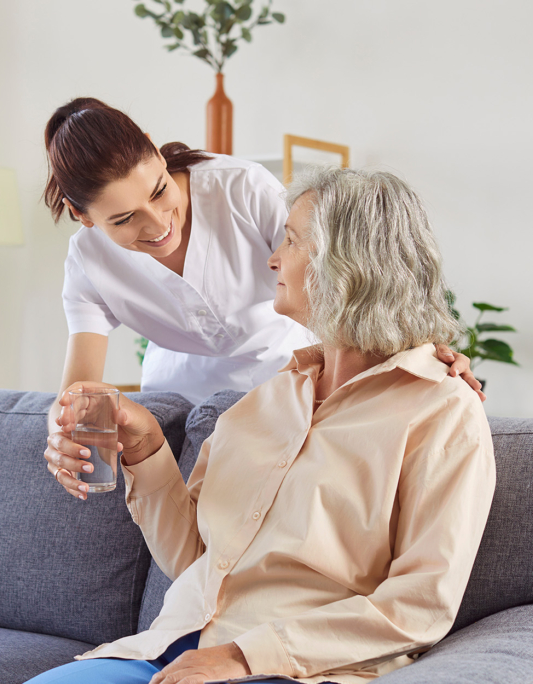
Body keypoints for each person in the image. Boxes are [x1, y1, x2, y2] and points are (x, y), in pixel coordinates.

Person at [34, 166, 496, 684]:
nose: (272, 258)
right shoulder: (265, 400)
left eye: (292, 241)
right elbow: (196, 559)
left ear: (347, 266)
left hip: (288, 669)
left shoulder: (441, 411)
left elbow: (419, 606)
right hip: (165, 649)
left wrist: (241, 657)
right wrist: (144, 448)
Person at [43, 98, 482, 497]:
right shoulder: (88, 262)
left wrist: (423, 355)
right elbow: (78, 391)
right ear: (81, 215)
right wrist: (60, 434)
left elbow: (338, 275)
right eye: (124, 219)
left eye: (159, 191)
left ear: (155, 151)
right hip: (181, 396)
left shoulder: (241, 189)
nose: (158, 224)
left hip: (283, 373)